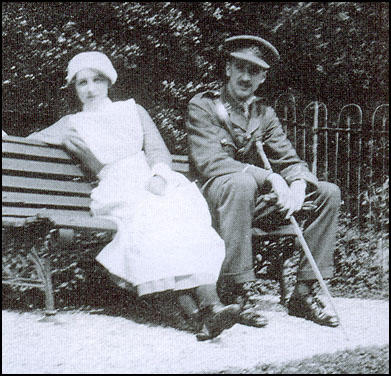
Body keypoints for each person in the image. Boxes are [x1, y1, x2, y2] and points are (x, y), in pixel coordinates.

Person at [27, 51, 240, 341]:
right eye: (82, 83)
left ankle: (210, 305)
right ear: (74, 88)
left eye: (97, 80)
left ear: (108, 82)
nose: (90, 89)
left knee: (184, 216)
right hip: (114, 187)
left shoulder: (132, 110)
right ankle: (198, 315)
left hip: (151, 179)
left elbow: (156, 149)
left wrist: (159, 176)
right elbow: (29, 140)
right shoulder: (71, 123)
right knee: (150, 223)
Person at [186, 35, 341, 328]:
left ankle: (304, 294)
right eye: (240, 67)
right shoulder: (204, 106)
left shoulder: (264, 114)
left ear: (263, 77)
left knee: (328, 193)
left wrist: (297, 183)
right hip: (211, 200)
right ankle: (238, 293)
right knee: (242, 184)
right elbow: (211, 163)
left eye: (254, 71)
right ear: (228, 68)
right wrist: (269, 177)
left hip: (250, 202)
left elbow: (291, 160)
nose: (246, 77)